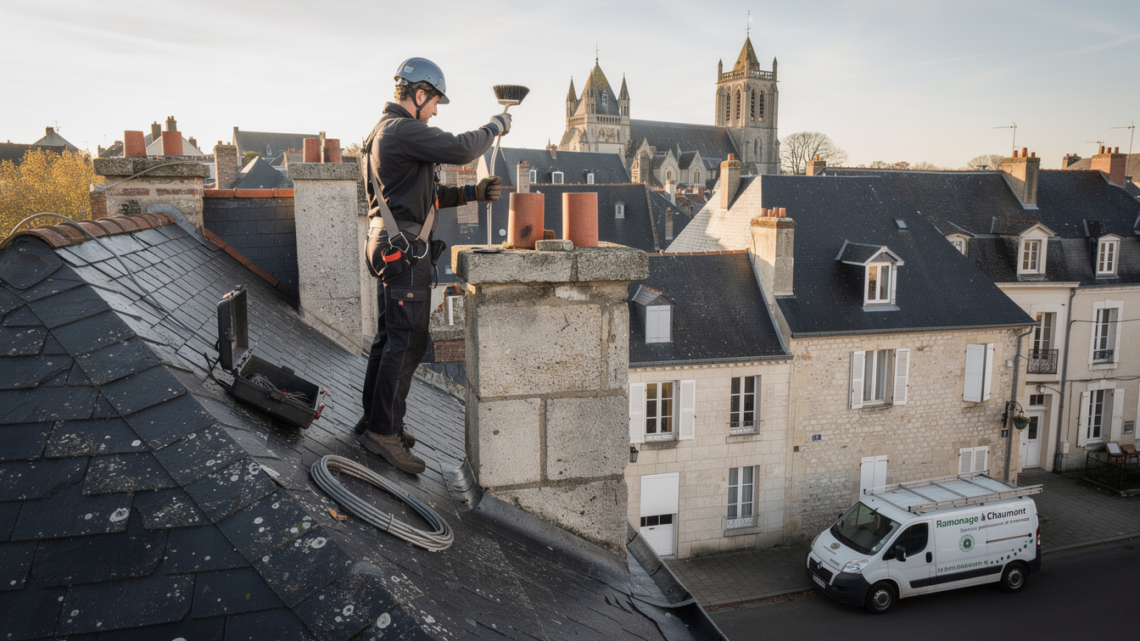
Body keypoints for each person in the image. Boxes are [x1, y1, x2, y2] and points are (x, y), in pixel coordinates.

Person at [358, 57, 509, 474]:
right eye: (435, 101)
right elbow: (461, 147)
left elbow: (425, 194)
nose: (437, 111)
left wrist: (473, 192)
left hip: (387, 242)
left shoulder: (381, 133)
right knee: (407, 342)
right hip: (404, 250)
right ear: (419, 93)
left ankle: (376, 419)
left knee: (389, 337)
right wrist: (494, 126)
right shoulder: (404, 130)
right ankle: (383, 433)